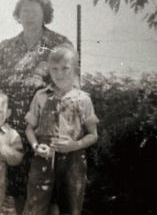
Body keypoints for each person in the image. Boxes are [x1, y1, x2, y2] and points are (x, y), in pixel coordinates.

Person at [0, 0, 72, 214]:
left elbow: (71, 84)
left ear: (45, 14)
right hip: (14, 128)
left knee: (49, 190)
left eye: (35, 11)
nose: (29, 16)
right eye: (24, 11)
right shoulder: (6, 46)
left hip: (47, 128)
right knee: (20, 189)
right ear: (18, 15)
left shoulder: (58, 43)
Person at [23, 45, 99, 215]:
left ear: (75, 70)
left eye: (65, 68)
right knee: (36, 208)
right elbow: (29, 129)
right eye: (54, 69)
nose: (59, 74)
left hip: (73, 162)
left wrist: (74, 145)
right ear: (49, 71)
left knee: (70, 209)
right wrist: (36, 147)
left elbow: (93, 135)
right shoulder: (41, 96)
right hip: (43, 160)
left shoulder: (83, 99)